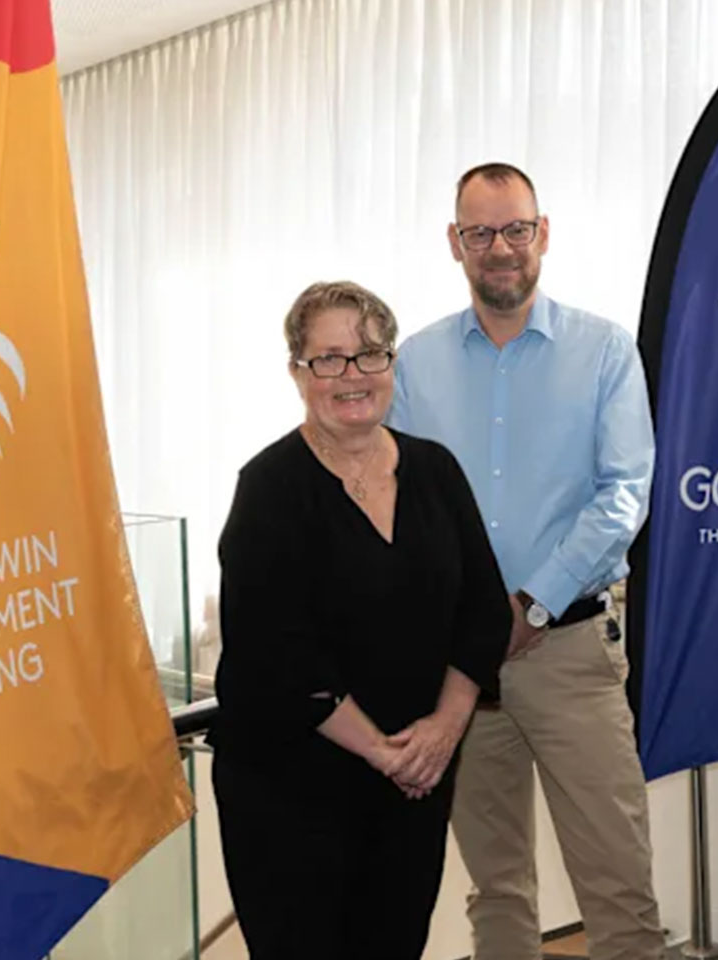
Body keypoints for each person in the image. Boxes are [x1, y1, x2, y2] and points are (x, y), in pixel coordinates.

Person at [388, 163, 662, 960]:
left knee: (618, 880)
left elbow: (623, 497)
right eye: (480, 233)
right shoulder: (416, 363)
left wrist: (532, 603)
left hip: (571, 650)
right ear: (455, 243)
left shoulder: (605, 350)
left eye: (515, 229)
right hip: (464, 669)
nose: (499, 248)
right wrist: (471, 619)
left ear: (543, 233)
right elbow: (405, 507)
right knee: (497, 888)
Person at [211, 280, 511, 959]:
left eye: (371, 354)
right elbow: (277, 658)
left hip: (414, 784)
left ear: (392, 365)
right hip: (292, 791)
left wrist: (442, 731)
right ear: (297, 373)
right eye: (330, 358)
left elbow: (483, 611)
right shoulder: (267, 490)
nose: (353, 375)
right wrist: (386, 753)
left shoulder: (435, 471)